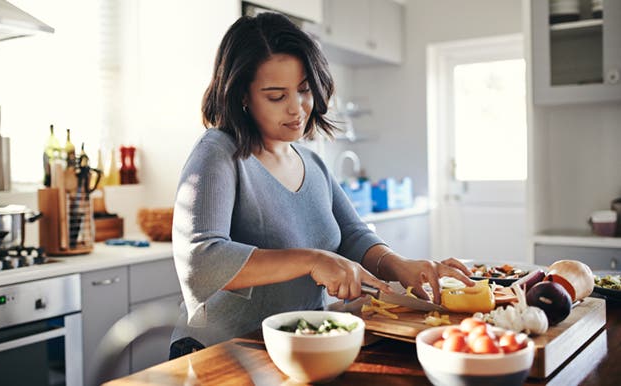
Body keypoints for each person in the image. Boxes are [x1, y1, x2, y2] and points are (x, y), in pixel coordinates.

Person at [169, 12, 473, 360]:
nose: (298, 109)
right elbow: (200, 259)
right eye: (275, 96)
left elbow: (353, 236)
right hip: (221, 351)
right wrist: (312, 260)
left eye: (304, 90)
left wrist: (399, 266)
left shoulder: (310, 161)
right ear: (242, 96)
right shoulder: (218, 153)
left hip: (294, 348)